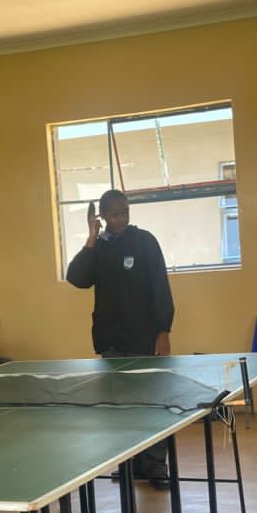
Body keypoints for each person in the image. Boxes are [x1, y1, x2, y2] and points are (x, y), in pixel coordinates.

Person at [66, 189, 175, 487]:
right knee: (122, 407)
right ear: (103, 216)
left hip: (145, 337)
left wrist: (163, 331)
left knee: (151, 404)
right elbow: (76, 278)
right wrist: (91, 237)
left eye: (125, 212)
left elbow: (160, 288)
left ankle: (155, 467)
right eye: (114, 214)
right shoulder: (98, 248)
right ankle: (130, 465)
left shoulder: (145, 241)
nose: (121, 218)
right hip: (112, 340)